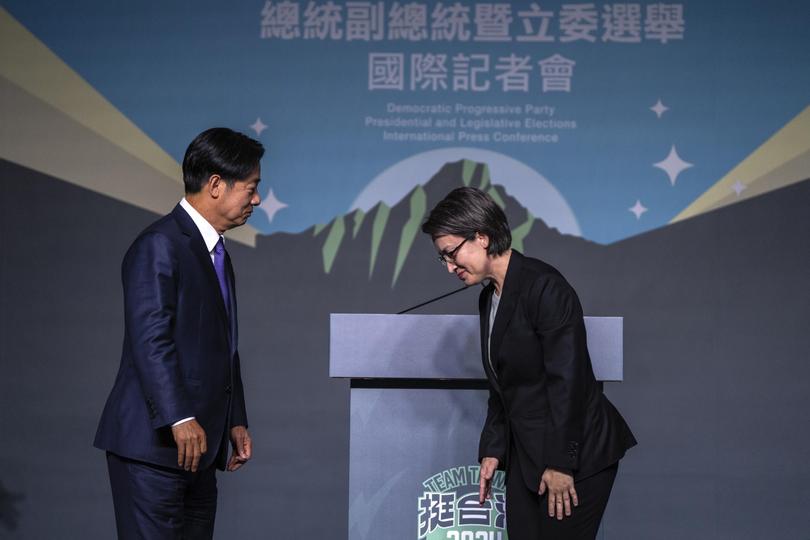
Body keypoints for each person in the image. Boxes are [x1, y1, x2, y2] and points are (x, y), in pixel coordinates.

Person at [421, 187, 636, 540]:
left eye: (451, 254)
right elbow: (503, 384)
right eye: (442, 259)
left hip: (575, 457)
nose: (449, 268)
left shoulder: (545, 288)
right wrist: (492, 448)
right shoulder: (489, 298)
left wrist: (561, 464)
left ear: (481, 236)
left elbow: (570, 383)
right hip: (529, 456)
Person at [94, 127, 263, 539]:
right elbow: (151, 339)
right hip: (153, 452)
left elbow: (224, 347)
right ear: (217, 185)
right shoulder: (160, 245)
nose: (257, 199)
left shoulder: (217, 254)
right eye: (252, 187)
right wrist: (179, 415)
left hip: (198, 453)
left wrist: (233, 420)